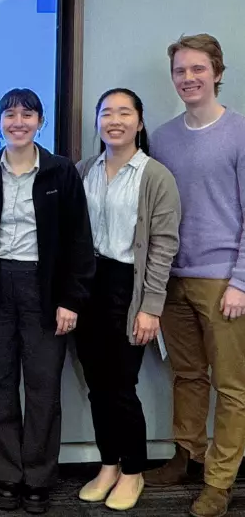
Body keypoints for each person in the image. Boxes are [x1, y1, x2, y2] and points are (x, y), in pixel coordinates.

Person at [0, 88, 95, 515]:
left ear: (40, 122)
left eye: (27, 115)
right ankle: (7, 476)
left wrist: (71, 299)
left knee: (43, 385)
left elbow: (79, 240)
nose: (18, 122)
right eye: (10, 115)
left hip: (44, 289)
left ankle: (38, 478)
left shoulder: (60, 173)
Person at [145, 34, 245, 517]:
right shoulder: (162, 138)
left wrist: (240, 281)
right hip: (172, 278)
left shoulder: (240, 132)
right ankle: (188, 455)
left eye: (198, 69)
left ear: (217, 73)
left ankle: (220, 482)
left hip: (222, 281)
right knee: (186, 375)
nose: (188, 78)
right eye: (180, 71)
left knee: (231, 386)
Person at [73, 88, 181, 511]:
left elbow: (164, 246)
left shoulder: (155, 176)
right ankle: (108, 464)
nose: (114, 121)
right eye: (106, 113)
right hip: (88, 286)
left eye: (124, 113)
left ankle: (133, 470)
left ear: (139, 122)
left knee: (120, 385)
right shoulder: (85, 169)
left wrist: (151, 307)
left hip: (128, 287)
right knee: (96, 385)